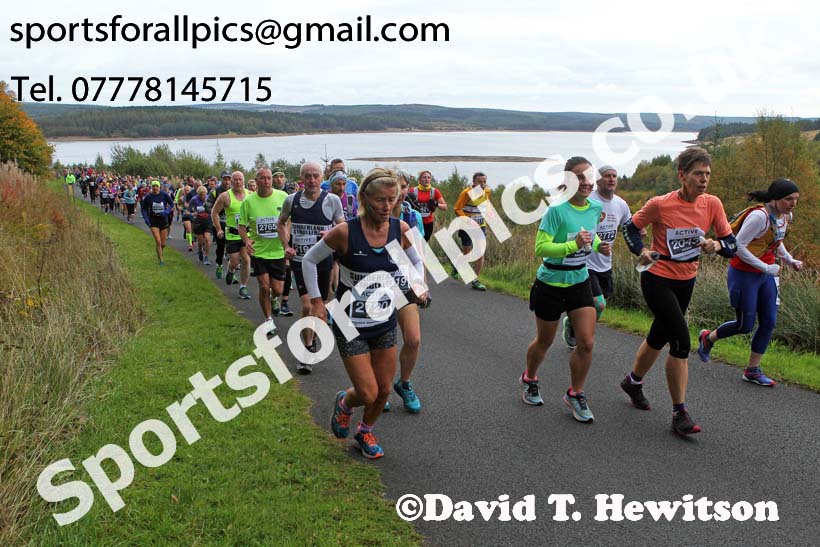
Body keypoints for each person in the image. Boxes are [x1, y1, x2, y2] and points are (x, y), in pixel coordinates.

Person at [304, 168, 424, 458]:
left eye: (392, 200)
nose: (386, 207)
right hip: (348, 321)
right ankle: (345, 403)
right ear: (365, 199)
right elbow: (309, 260)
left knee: (383, 390)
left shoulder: (400, 230)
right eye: (380, 200)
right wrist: (318, 301)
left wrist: (418, 287)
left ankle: (364, 431)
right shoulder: (347, 232)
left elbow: (418, 262)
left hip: (383, 320)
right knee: (368, 393)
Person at [620, 147, 737, 435]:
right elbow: (630, 229)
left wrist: (717, 246)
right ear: (682, 175)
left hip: (687, 280)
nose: (704, 180)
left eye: (708, 174)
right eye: (698, 174)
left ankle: (632, 382)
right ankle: (679, 413)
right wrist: (642, 250)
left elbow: (732, 245)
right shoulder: (660, 204)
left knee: (659, 335)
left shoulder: (712, 204)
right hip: (657, 278)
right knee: (681, 342)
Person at [520, 156, 609, 423]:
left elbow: (587, 240)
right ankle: (530, 377)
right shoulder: (556, 210)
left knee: (587, 342)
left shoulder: (595, 208)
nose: (585, 182)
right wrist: (573, 246)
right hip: (550, 282)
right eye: (578, 177)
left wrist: (597, 247)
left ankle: (576, 393)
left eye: (588, 176)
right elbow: (541, 248)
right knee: (544, 341)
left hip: (580, 280)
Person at [697, 178, 803, 386]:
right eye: (789, 199)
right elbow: (739, 247)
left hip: (767, 275)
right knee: (745, 325)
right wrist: (765, 267)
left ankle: (752, 370)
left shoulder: (786, 216)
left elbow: (777, 240)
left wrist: (790, 260)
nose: (793, 204)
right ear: (775, 198)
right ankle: (708, 338)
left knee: (769, 322)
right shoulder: (758, 217)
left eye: (796, 199)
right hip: (744, 274)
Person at [277, 161, 346, 373]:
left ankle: (312, 337)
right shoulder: (292, 200)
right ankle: (306, 351)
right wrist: (286, 246)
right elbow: (281, 223)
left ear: (321, 178)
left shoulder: (332, 200)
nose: (312, 180)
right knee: (307, 304)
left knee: (320, 305)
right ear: (301, 179)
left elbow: (342, 226)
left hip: (323, 261)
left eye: (315, 175)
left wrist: (332, 234)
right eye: (307, 176)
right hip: (300, 262)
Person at [562, 165, 632, 349]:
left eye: (614, 176)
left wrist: (638, 234)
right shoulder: (589, 201)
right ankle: (582, 335)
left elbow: (629, 226)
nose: (611, 179)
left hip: (605, 264)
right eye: (607, 176)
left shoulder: (621, 204)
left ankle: (572, 323)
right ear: (597, 181)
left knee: (598, 305)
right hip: (585, 262)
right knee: (599, 304)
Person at [384, 170, 428, 413]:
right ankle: (380, 387)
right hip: (376, 288)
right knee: (382, 343)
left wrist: (421, 285)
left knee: (413, 339)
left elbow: (418, 256)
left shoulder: (412, 217)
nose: (399, 192)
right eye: (394, 187)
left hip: (404, 284)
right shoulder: (372, 216)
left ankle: (404, 383)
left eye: (403, 187)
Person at [239, 168, 289, 335]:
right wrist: (246, 241)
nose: (267, 181)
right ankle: (268, 320)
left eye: (269, 178)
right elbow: (241, 226)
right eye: (263, 178)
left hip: (278, 251)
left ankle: (275, 299)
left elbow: (290, 220)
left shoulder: (282, 197)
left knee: (278, 289)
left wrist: (286, 236)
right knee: (264, 286)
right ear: (257, 180)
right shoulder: (248, 201)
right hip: (259, 252)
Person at [213, 171, 252, 299]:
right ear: (231, 182)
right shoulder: (225, 196)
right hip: (232, 235)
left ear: (244, 181)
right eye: (235, 180)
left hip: (247, 234)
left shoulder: (250, 195)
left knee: (246, 260)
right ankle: (230, 270)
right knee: (235, 261)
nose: (237, 182)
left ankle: (243, 287)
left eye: (240, 179)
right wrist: (219, 229)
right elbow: (214, 213)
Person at [453, 172, 491, 290]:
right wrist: (468, 221)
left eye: (484, 181)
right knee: (468, 253)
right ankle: (456, 264)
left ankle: (475, 280)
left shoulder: (487, 191)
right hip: (467, 226)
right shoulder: (466, 193)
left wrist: (489, 211)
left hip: (481, 225)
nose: (483, 184)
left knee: (480, 253)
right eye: (480, 182)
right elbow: (457, 209)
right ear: (474, 182)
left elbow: (487, 203)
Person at [141, 180, 174, 265]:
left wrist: (166, 211)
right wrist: (146, 219)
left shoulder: (164, 195)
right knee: (158, 241)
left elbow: (171, 204)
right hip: (153, 220)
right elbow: (144, 209)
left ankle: (160, 253)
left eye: (156, 186)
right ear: (151, 187)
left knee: (163, 244)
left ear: (159, 187)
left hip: (163, 219)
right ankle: (161, 260)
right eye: (153, 186)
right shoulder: (148, 197)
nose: (155, 188)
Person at [207, 172, 232, 279]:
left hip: (232, 223)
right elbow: (207, 206)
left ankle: (232, 270)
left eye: (228, 179)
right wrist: (218, 211)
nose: (227, 181)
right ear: (221, 180)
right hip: (219, 222)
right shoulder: (214, 192)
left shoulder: (234, 191)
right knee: (221, 246)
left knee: (232, 247)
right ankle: (219, 264)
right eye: (225, 179)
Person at [411, 170, 447, 241]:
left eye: (428, 177)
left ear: (430, 179)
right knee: (415, 244)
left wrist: (436, 204)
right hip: (415, 222)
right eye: (424, 177)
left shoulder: (434, 191)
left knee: (424, 244)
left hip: (428, 223)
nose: (426, 179)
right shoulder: (413, 190)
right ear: (419, 179)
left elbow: (445, 207)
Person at [189, 186, 213, 265]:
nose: (202, 196)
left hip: (207, 221)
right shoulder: (194, 200)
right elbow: (189, 210)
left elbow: (213, 208)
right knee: (200, 241)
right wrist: (193, 213)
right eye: (201, 195)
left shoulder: (209, 199)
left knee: (207, 239)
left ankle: (206, 257)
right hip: (198, 222)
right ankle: (200, 250)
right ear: (198, 194)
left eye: (204, 194)